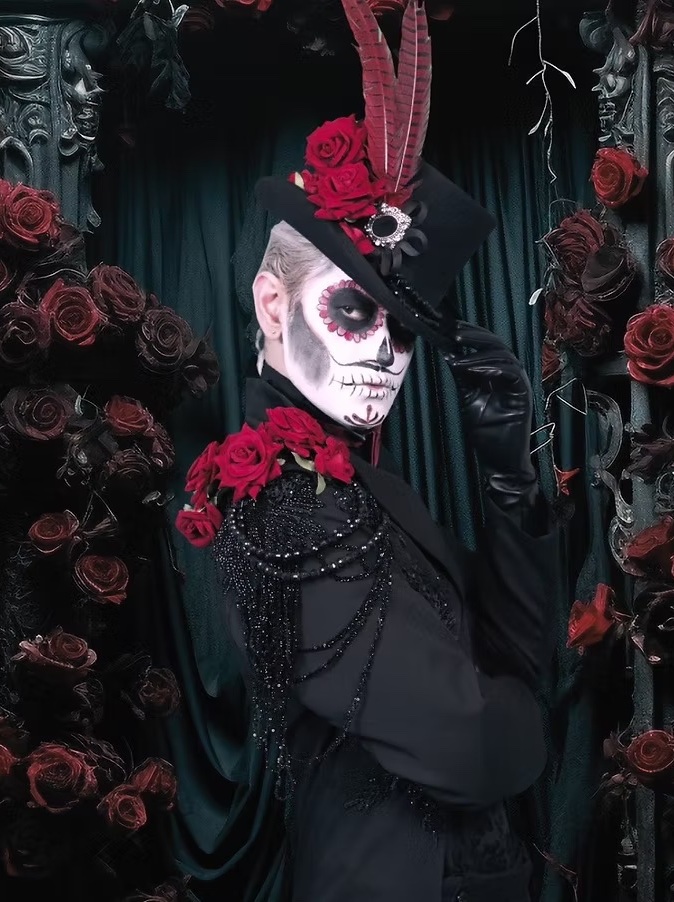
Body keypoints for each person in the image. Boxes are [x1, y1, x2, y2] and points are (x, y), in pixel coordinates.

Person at [175, 2, 560, 899]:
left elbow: (520, 647)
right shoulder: (276, 498)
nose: (385, 353)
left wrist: (507, 474)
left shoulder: (363, 483)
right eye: (354, 310)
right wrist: (525, 721)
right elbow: (474, 748)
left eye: (406, 329)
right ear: (273, 305)